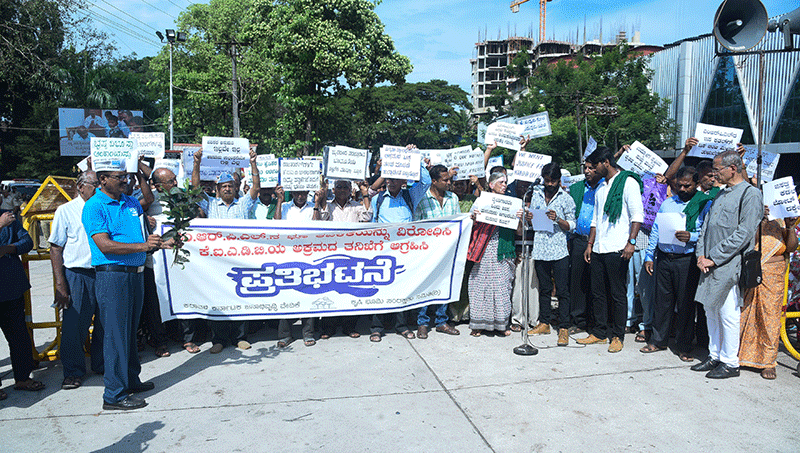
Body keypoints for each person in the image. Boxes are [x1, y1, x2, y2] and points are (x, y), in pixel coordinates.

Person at [82, 164, 164, 410]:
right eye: (119, 177)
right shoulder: (94, 206)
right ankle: (114, 394)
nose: (125, 180)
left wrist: (156, 242)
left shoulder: (131, 203)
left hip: (135, 274)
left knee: (129, 332)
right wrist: (144, 247)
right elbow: (105, 245)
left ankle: (130, 380)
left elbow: (140, 235)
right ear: (103, 179)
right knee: (115, 335)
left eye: (126, 176)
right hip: (113, 275)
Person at [693, 151, 762, 379]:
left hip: (729, 265)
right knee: (710, 311)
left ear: (733, 168)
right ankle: (714, 355)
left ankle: (730, 362)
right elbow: (706, 227)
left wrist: (714, 257)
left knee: (727, 313)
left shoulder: (750, 194)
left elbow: (744, 233)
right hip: (708, 264)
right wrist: (700, 255)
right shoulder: (720, 194)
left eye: (717, 169)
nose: (714, 173)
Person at [192, 148, 260, 353]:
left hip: (240, 259)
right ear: (218, 189)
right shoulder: (211, 204)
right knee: (217, 298)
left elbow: (256, 187)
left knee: (240, 295)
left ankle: (240, 337)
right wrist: (197, 163)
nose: (228, 189)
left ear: (235, 187)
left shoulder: (244, 204)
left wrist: (253, 163)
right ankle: (219, 339)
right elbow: (195, 188)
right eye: (224, 186)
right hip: (216, 261)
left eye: (230, 185)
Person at [578, 147, 644, 353]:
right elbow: (595, 220)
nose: (592, 170)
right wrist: (590, 244)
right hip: (599, 248)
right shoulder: (600, 188)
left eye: (595, 166)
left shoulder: (628, 183)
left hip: (618, 247)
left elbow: (637, 215)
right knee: (598, 293)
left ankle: (617, 335)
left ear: (606, 162)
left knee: (617, 294)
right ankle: (599, 333)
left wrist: (631, 242)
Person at [640, 166, 709, 362]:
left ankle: (684, 346)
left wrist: (691, 236)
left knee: (686, 305)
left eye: (687, 186)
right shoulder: (667, 203)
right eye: (679, 185)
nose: (682, 189)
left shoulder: (703, 204)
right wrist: (649, 256)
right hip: (664, 258)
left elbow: (706, 232)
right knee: (662, 302)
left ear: (696, 184)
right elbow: (656, 229)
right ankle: (658, 340)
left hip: (686, 260)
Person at [368, 145, 431, 341]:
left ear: (403, 180)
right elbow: (372, 222)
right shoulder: (378, 199)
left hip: (404, 251)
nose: (391, 182)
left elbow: (426, 181)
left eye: (395, 178)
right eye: (389, 178)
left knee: (402, 288)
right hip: (382, 250)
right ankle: (376, 327)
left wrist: (416, 157)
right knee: (380, 288)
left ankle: (401, 326)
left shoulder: (410, 196)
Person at [48, 171, 105, 390]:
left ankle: (101, 364)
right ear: (80, 187)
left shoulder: (103, 207)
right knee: (75, 325)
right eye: (94, 184)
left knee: (104, 322)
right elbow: (56, 247)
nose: (98, 188)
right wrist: (60, 283)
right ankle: (73, 371)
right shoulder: (66, 210)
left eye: (100, 184)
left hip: (104, 271)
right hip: (78, 274)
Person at [739, 207, 798, 379]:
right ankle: (742, 356)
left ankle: (768, 362)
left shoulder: (781, 217)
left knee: (770, 317)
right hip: (753, 270)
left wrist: (790, 226)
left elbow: (791, 247)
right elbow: (749, 243)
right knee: (747, 313)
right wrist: (759, 221)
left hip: (774, 273)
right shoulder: (753, 214)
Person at [151, 167, 203, 354]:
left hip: (180, 257)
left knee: (184, 295)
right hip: (156, 260)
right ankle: (160, 341)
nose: (175, 183)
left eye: (175, 179)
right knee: (157, 301)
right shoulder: (149, 201)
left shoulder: (182, 198)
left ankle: (188, 338)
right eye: (171, 181)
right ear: (158, 187)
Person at [314, 179, 373, 339]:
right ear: (333, 189)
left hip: (351, 255)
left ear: (350, 189)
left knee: (350, 291)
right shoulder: (328, 205)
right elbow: (322, 218)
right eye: (338, 187)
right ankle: (328, 327)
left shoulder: (356, 206)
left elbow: (367, 216)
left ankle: (349, 326)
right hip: (331, 255)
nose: (342, 190)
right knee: (330, 290)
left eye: (345, 187)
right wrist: (323, 194)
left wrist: (365, 193)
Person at [468, 172, 525, 337]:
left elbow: (519, 232)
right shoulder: (481, 201)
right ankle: (479, 324)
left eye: (506, 182)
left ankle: (501, 324)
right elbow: (470, 225)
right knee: (481, 285)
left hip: (503, 250)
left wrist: (519, 219)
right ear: (491, 185)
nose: (504, 185)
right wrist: (474, 217)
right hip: (484, 249)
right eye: (501, 182)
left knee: (502, 287)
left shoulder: (512, 204)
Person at [528, 163, 576, 346]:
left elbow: (572, 225)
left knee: (562, 290)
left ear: (558, 180)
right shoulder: (536, 194)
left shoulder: (566, 198)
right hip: (540, 248)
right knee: (544, 288)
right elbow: (532, 221)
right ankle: (544, 323)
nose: (549, 184)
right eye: (547, 180)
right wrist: (529, 218)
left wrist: (557, 219)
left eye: (553, 181)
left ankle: (563, 327)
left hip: (559, 250)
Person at [0, 208, 45, 401]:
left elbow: (27, 242)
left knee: (19, 335)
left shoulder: (9, 217)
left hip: (11, 289)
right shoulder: (3, 221)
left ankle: (23, 378)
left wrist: (9, 248)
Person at [413, 165, 461, 339]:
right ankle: (422, 323)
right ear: (434, 181)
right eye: (445, 180)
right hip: (427, 251)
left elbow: (458, 222)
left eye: (449, 179)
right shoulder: (422, 199)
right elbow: (416, 226)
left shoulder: (453, 198)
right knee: (425, 286)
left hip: (447, 250)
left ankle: (441, 321)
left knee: (444, 285)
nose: (449, 182)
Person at [274, 184, 322, 347]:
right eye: (297, 193)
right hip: (287, 257)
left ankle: (308, 333)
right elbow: (276, 224)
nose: (300, 196)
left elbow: (318, 226)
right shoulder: (285, 207)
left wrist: (317, 204)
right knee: (287, 295)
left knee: (308, 294)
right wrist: (279, 200)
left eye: (303, 193)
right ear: (292, 192)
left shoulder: (313, 207)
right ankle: (285, 335)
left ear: (307, 192)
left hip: (309, 257)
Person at [568, 159, 604, 336]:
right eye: (586, 168)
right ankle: (579, 321)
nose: (587, 171)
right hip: (579, 240)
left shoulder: (605, 187)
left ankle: (596, 322)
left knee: (597, 284)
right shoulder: (578, 188)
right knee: (578, 281)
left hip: (598, 241)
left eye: (591, 168)